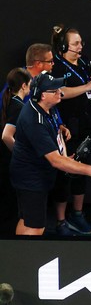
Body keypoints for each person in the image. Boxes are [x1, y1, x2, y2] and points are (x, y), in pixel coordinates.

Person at [10, 72, 91, 236]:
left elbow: (57, 138)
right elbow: (55, 161)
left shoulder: (47, 108)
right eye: (55, 90)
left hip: (37, 175)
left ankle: (18, 256)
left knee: (28, 219)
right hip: (30, 178)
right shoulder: (34, 120)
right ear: (43, 95)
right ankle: (27, 258)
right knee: (36, 226)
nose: (60, 92)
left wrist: (65, 157)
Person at [49, 25, 91, 236]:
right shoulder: (56, 66)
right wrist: (87, 87)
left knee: (83, 169)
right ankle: (61, 220)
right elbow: (60, 93)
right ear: (64, 45)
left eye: (81, 42)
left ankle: (78, 213)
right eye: (75, 43)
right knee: (65, 172)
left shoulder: (85, 62)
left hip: (87, 123)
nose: (80, 46)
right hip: (66, 126)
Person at [0, 67, 29, 236]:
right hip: (10, 164)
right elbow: (6, 136)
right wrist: (21, 155)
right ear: (24, 86)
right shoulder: (18, 106)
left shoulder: (10, 102)